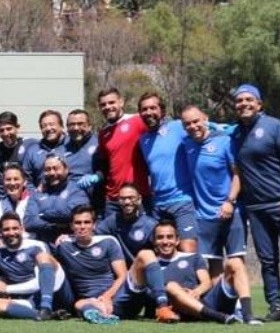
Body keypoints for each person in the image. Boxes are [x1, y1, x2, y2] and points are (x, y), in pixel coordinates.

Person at [230, 83, 280, 323]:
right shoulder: (236, 134)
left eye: (248, 100)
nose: (243, 104)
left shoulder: (276, 127)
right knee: (267, 260)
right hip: (256, 208)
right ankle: (276, 306)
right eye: (239, 101)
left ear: (259, 104)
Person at [180, 104, 260, 325]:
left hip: (229, 212)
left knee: (236, 262)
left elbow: (237, 174)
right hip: (203, 216)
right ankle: (223, 311)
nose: (192, 126)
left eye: (196, 121)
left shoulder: (224, 141)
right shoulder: (186, 144)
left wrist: (230, 201)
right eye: (187, 123)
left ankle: (245, 311)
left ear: (205, 119)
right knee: (214, 266)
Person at [122, 220, 242, 325]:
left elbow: (206, 283)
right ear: (154, 241)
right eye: (160, 237)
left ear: (177, 240)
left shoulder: (193, 257)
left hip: (198, 302)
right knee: (171, 286)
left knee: (234, 266)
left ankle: (246, 314)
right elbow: (147, 292)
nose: (165, 241)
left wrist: (195, 292)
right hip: (172, 308)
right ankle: (218, 316)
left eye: (169, 237)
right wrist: (175, 293)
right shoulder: (150, 264)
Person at [136, 93, 198, 253]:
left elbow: (205, 127)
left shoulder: (177, 127)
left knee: (187, 251)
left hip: (182, 201)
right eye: (144, 109)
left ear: (162, 111)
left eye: (153, 108)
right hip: (158, 205)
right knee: (160, 252)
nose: (148, 112)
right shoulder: (143, 140)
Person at [52, 205, 127, 324]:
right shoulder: (64, 246)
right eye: (78, 223)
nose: (82, 226)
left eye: (87, 222)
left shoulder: (108, 242)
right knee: (78, 304)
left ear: (94, 224)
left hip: (114, 294)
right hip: (87, 299)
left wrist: (107, 296)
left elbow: (122, 275)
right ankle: (97, 315)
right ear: (71, 226)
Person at [83, 87, 149, 215]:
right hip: (113, 198)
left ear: (121, 102)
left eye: (111, 102)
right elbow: (106, 166)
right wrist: (96, 176)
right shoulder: (103, 133)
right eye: (103, 104)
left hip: (136, 196)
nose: (107, 107)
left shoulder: (137, 121)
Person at [0, 212, 61, 320]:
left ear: (22, 229)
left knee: (44, 257)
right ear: (0, 232)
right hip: (29, 299)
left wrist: (7, 289)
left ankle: (46, 308)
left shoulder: (36, 246)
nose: (11, 232)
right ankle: (43, 315)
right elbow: (2, 279)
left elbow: (40, 283)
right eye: (6, 229)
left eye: (15, 228)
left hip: (53, 293)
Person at [24, 154, 90, 244]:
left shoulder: (76, 191)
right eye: (48, 169)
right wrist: (57, 225)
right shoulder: (37, 194)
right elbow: (29, 221)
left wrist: (42, 215)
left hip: (70, 243)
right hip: (44, 245)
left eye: (56, 168)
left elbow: (73, 214)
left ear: (66, 170)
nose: (52, 173)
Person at [95, 182, 158, 267]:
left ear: (139, 199)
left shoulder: (150, 225)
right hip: (120, 269)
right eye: (123, 198)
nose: (127, 202)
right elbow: (95, 235)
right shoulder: (113, 220)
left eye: (131, 198)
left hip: (143, 270)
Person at [0, 111, 36, 201]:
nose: (6, 133)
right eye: (1, 130)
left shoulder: (30, 145)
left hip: (27, 200)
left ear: (17, 127)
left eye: (9, 128)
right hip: (3, 201)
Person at [23, 110, 67, 188]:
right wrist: (35, 195)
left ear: (61, 126)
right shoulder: (33, 151)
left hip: (70, 196)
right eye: (44, 126)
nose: (48, 128)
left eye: (52, 124)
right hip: (42, 197)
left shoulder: (72, 145)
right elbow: (26, 179)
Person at [62, 109, 99, 182]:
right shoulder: (62, 147)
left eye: (80, 124)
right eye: (72, 124)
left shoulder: (99, 145)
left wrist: (98, 177)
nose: (76, 128)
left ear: (89, 126)